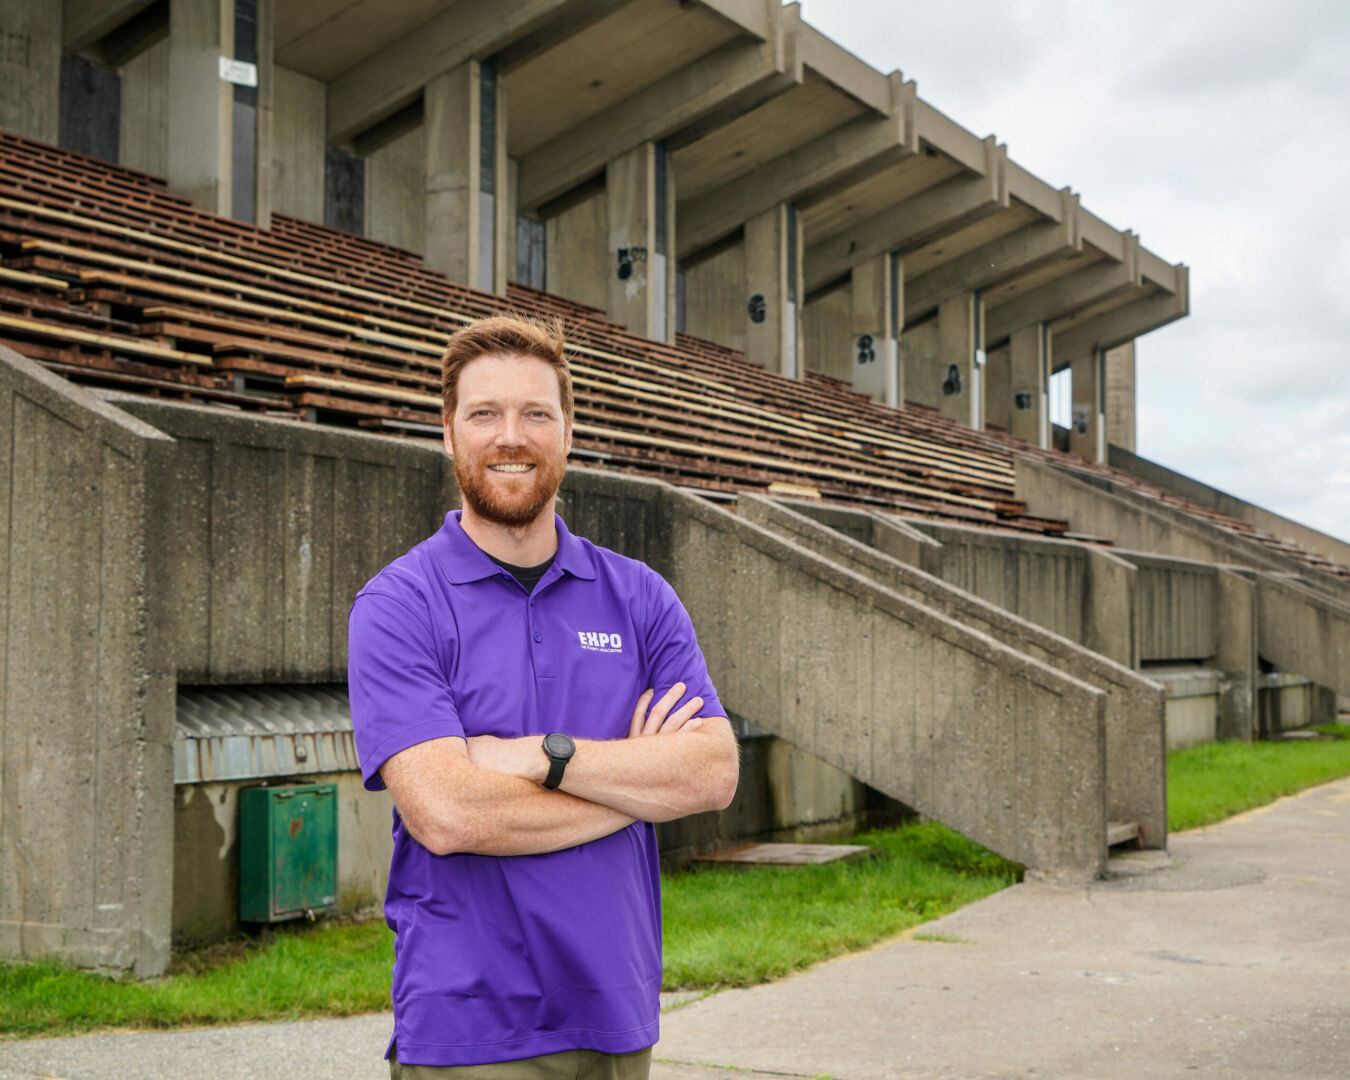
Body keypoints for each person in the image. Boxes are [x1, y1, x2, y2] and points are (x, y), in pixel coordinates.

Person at [347, 312, 740, 1079]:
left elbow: (712, 774)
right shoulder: (399, 604)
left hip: (618, 1012)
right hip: (470, 1025)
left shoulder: (639, 596)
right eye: (484, 414)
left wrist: (540, 756)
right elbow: (448, 813)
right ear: (449, 434)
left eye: (535, 413)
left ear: (568, 432)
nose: (510, 436)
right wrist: (638, 783)